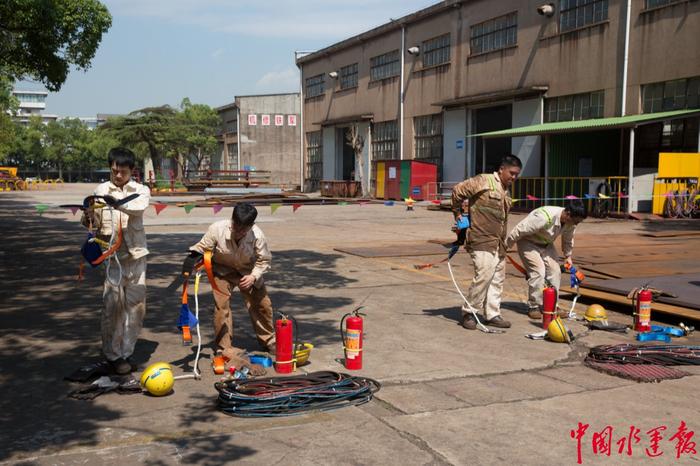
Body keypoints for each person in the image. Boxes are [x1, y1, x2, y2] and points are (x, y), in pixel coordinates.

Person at [83, 147, 151, 374]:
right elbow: (91, 221)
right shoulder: (100, 189)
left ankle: (126, 352)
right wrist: (88, 217)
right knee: (112, 307)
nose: (117, 175)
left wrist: (115, 202)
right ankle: (113, 355)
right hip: (112, 258)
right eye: (114, 170)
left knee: (135, 308)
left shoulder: (141, 191)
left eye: (122, 171)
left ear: (132, 170)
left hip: (136, 256)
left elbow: (138, 208)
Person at [185, 203, 274, 374]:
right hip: (222, 270)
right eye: (236, 227)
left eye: (243, 230)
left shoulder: (258, 236)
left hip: (247, 271)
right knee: (221, 307)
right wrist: (192, 258)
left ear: (251, 226)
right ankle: (223, 347)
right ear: (232, 220)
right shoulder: (217, 229)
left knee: (262, 304)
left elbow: (264, 260)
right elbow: (202, 247)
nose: (238, 232)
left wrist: (254, 276)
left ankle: (268, 340)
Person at [451, 155, 522, 330]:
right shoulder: (483, 180)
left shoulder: (506, 192)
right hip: (481, 239)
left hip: (498, 243)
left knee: (497, 279)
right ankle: (470, 312)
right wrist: (459, 215)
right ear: (501, 169)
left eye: (516, 175)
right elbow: (457, 192)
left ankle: (492, 313)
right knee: (484, 275)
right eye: (511, 173)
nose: (514, 177)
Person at [505, 200, 587, 319]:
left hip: (546, 244)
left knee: (555, 272)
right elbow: (519, 230)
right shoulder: (544, 217)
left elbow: (568, 239)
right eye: (576, 221)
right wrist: (506, 246)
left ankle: (552, 306)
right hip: (528, 242)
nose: (576, 224)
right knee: (538, 272)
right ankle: (534, 306)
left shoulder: (571, 223)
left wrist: (568, 256)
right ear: (568, 214)